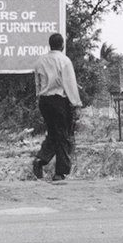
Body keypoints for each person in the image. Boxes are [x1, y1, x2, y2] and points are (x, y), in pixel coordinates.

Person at [31, 32, 82, 182]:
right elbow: (70, 84)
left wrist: (39, 98)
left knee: (53, 133)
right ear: (62, 45)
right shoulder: (64, 61)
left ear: (50, 44)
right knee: (63, 136)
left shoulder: (40, 62)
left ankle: (41, 160)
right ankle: (60, 172)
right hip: (59, 101)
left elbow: (37, 84)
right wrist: (76, 104)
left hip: (44, 101)